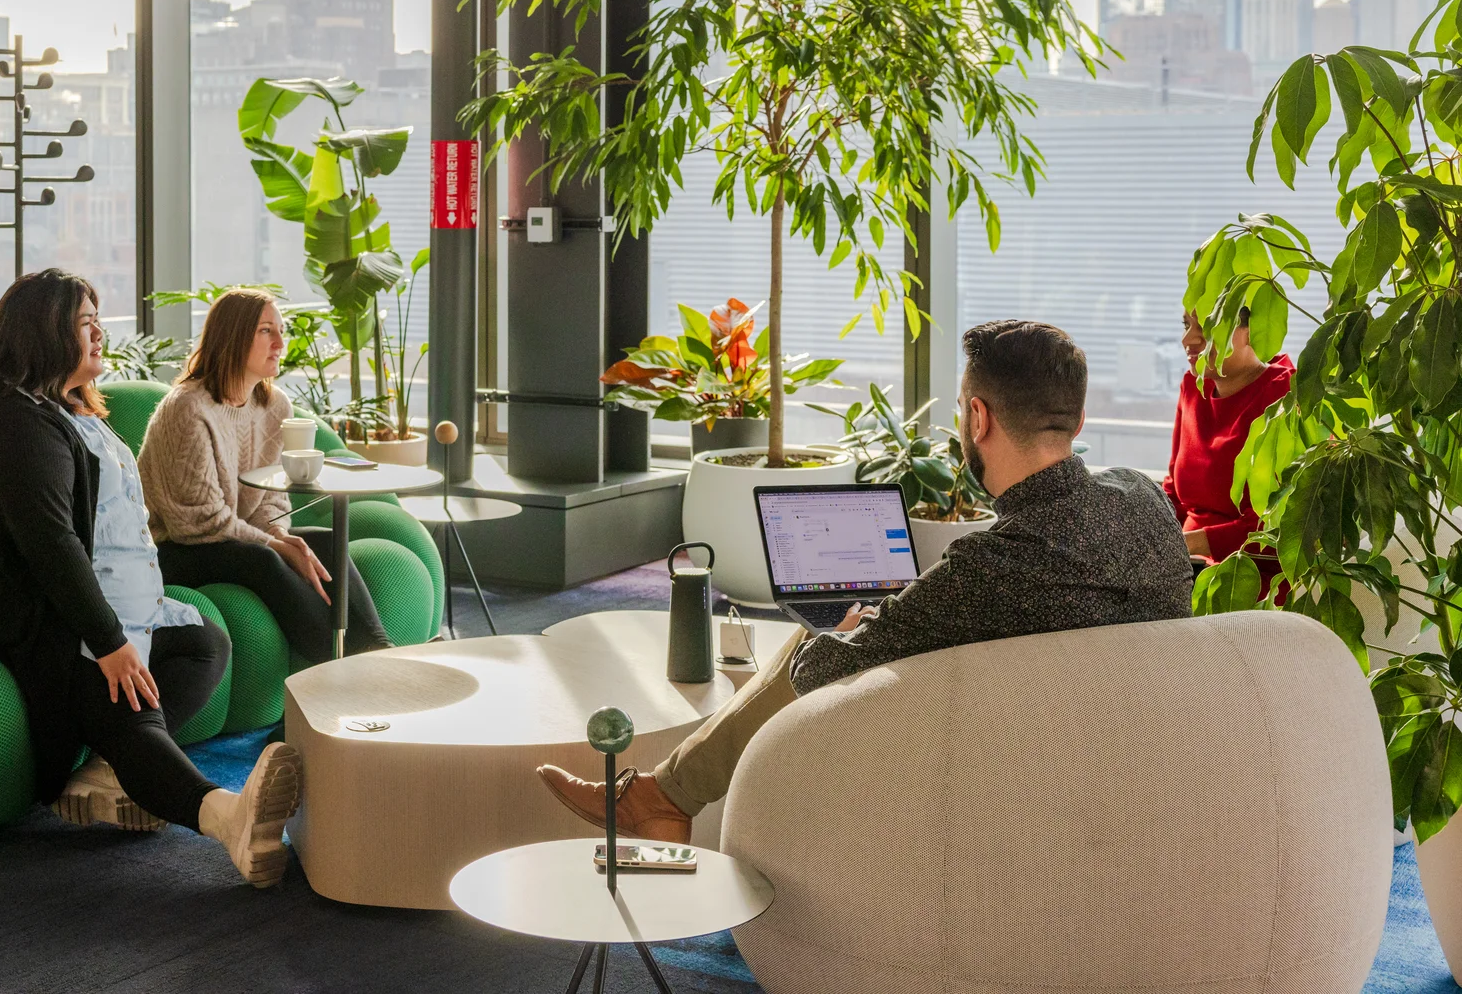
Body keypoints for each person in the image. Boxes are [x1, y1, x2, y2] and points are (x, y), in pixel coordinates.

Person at [537, 319, 1194, 844]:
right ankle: (660, 795)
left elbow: (827, 665)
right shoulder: (1139, 496)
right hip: (1155, 760)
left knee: (818, 643)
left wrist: (859, 623)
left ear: (978, 418)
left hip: (1024, 770)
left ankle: (661, 796)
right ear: (1076, 422)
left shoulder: (998, 564)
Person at [0, 269, 302, 887]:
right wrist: (111, 640)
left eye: (98, 321)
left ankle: (104, 773)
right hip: (12, 609)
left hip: (75, 599)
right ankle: (228, 817)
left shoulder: (65, 411)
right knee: (125, 695)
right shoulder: (10, 423)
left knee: (204, 642)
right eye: (85, 324)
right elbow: (51, 544)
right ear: (44, 335)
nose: (100, 335)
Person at [139, 288, 392, 659]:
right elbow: (197, 523)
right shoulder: (188, 408)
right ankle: (338, 663)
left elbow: (271, 497)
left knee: (322, 540)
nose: (280, 342)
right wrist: (274, 545)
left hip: (234, 538)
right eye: (265, 331)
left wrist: (277, 533)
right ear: (233, 336)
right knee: (264, 558)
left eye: (280, 330)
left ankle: (378, 651)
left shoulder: (274, 405)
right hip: (172, 549)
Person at [1166, 308, 1292, 591]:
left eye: (1208, 327)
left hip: (1253, 585)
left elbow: (1277, 530)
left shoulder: (1285, 397)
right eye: (1186, 325)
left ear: (1254, 330)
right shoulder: (1193, 387)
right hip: (1185, 570)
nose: (1189, 339)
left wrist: (1185, 543)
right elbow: (1174, 493)